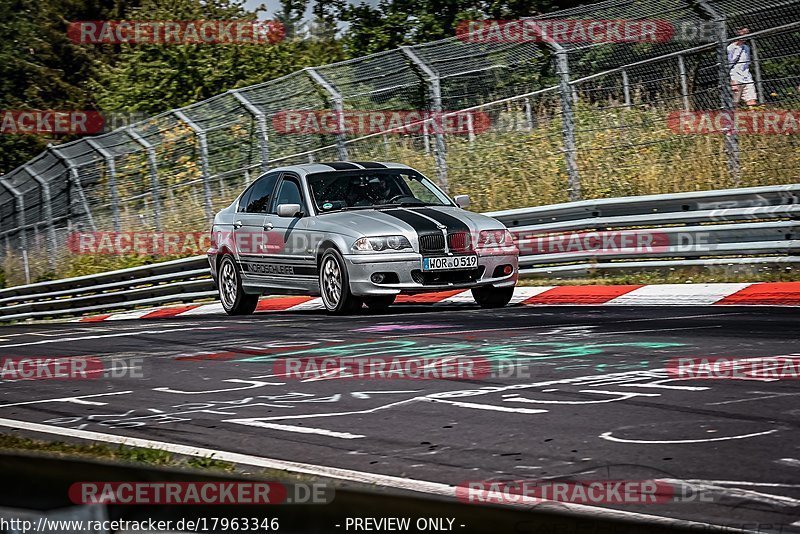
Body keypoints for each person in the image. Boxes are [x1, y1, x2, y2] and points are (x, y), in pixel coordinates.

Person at [727, 27, 758, 106]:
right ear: (738, 33)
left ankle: (754, 117)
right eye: (744, 32)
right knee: (735, 103)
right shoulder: (731, 48)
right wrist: (732, 80)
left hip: (747, 77)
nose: (746, 35)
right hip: (735, 77)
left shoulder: (746, 48)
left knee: (752, 101)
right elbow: (729, 65)